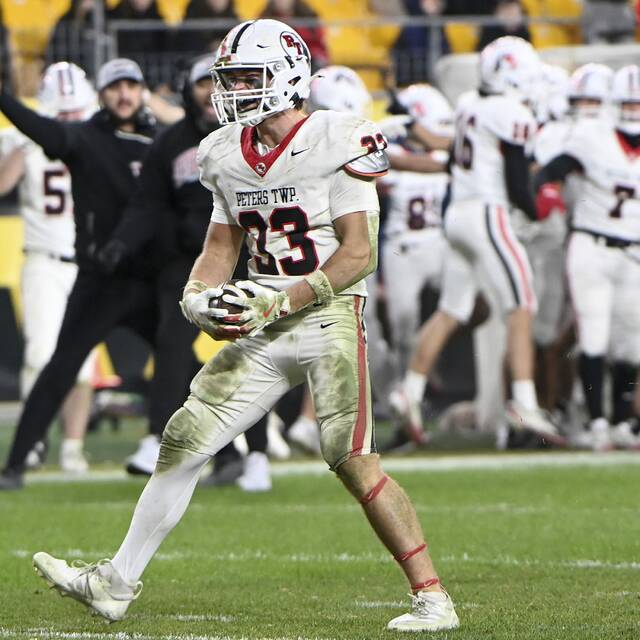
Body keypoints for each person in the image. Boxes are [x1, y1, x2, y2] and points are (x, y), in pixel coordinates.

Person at [31, 19, 460, 633]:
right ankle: (116, 583)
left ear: (288, 76)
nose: (229, 90)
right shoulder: (224, 152)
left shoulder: (341, 136)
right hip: (265, 319)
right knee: (184, 437)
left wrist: (281, 301)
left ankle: (433, 598)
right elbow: (219, 244)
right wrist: (198, 296)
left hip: (329, 312)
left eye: (244, 76)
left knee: (351, 457)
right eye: (227, 77)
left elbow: (357, 253)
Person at [102, 55, 273, 488]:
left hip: (244, 256)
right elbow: (148, 203)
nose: (208, 92)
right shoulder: (170, 143)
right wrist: (124, 241)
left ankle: (258, 453)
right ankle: (159, 436)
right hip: (187, 261)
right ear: (190, 89)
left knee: (250, 354)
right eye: (204, 83)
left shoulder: (251, 137)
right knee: (172, 347)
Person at [392, 37, 564, 446]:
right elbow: (519, 187)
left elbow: (450, 155)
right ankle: (525, 403)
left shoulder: (470, 103)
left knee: (452, 310)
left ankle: (409, 392)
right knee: (521, 303)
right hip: (489, 213)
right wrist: (540, 205)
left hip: (457, 216)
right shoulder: (511, 111)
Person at [0, 58, 159, 490]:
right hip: (72, 267)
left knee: (173, 357)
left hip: (134, 270)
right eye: (116, 87)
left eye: (132, 86)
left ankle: (81, 444)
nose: (124, 94)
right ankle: (23, 455)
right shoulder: (63, 139)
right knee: (52, 361)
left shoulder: (141, 139)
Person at [533, 64, 640, 451]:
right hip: (592, 246)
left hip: (633, 254)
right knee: (593, 335)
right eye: (627, 103)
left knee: (631, 344)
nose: (632, 111)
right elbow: (550, 170)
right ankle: (596, 421)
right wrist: (544, 191)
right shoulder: (592, 136)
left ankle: (623, 422)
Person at [0, 62, 97, 473]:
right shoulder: (22, 141)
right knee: (40, 355)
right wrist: (19, 155)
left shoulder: (102, 137)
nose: (71, 122)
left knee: (83, 362)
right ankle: (35, 438)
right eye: (64, 114)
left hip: (87, 264)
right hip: (43, 259)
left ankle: (73, 446)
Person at [392, 0, 451, 86]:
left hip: (436, 78)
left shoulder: (441, 27)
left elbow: (445, 50)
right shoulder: (411, 29)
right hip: (413, 82)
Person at [46, 0, 96, 71]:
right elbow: (56, 51)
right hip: (68, 69)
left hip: (90, 69)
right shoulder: (64, 21)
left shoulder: (98, 20)